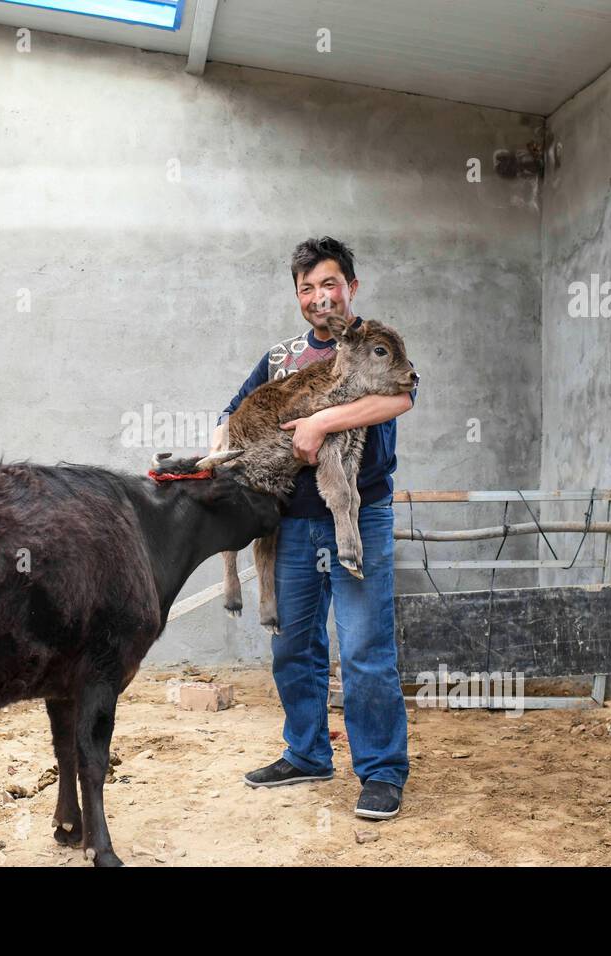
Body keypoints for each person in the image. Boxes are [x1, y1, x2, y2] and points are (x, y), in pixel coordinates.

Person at [213, 236, 415, 820]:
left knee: (364, 649)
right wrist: (217, 463)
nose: (319, 297)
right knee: (293, 646)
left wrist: (321, 420)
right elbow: (232, 413)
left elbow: (400, 398)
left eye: (330, 284)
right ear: (298, 296)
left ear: (351, 286)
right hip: (293, 521)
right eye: (307, 288)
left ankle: (380, 771)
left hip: (357, 516)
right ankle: (306, 752)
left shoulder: (375, 344)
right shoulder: (280, 358)